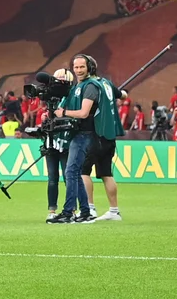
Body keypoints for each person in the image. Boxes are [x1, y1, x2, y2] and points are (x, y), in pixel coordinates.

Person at [58, 54, 123, 224]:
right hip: (109, 136)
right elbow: (121, 94)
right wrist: (119, 93)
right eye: (76, 67)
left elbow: (83, 113)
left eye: (82, 67)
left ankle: (89, 209)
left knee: (82, 172)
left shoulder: (90, 86)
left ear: (89, 67)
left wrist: (62, 113)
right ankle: (114, 210)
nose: (78, 70)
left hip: (94, 134)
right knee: (106, 173)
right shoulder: (106, 82)